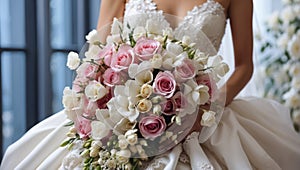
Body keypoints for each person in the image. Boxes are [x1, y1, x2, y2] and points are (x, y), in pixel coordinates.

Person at [1, 0, 300, 169]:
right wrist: (107, 105)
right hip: (124, 113)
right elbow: (98, 53)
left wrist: (210, 105)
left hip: (205, 115)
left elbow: (245, 66)